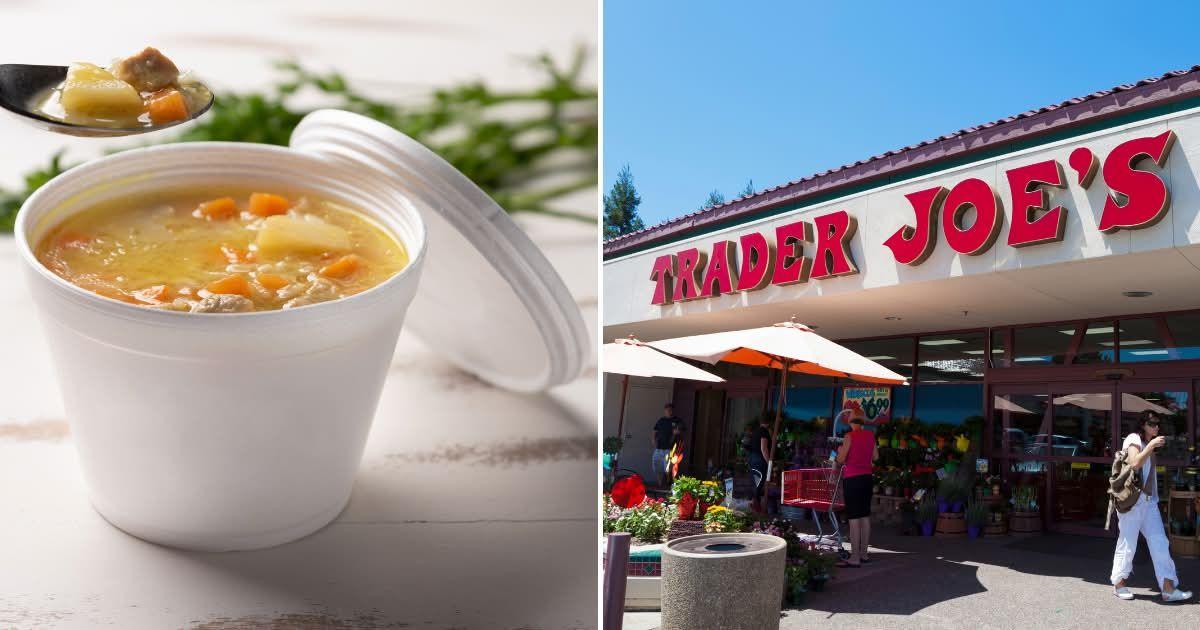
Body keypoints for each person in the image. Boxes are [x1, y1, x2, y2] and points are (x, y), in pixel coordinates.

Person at [1111, 412, 1193, 602]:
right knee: (1128, 543)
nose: (1156, 427)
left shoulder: (1150, 443)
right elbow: (1134, 463)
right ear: (1143, 425)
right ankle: (1119, 583)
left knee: (1160, 543)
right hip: (1132, 502)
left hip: (1149, 503)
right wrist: (1151, 446)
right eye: (1152, 423)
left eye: (1158, 424)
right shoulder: (1133, 438)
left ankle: (1168, 587)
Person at [834, 410, 877, 568]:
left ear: (851, 422)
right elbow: (876, 457)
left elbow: (840, 459)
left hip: (852, 479)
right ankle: (864, 554)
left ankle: (854, 557)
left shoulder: (849, 437)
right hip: (867, 479)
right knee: (864, 517)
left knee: (853, 519)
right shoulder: (870, 435)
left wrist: (839, 451)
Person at [651, 403, 683, 488]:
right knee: (656, 467)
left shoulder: (677, 420)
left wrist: (677, 432)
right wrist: (653, 439)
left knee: (668, 469)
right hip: (658, 448)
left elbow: (681, 430)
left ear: (673, 411)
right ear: (664, 411)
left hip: (670, 449)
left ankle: (669, 486)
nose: (669, 411)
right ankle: (660, 484)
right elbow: (655, 430)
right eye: (667, 410)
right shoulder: (661, 420)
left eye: (670, 410)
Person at [748, 415, 771, 512]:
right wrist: (769, 462)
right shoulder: (764, 432)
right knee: (759, 482)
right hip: (760, 460)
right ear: (769, 423)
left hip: (753, 458)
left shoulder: (756, 431)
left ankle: (754, 504)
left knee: (756, 481)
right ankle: (755, 505)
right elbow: (763, 448)